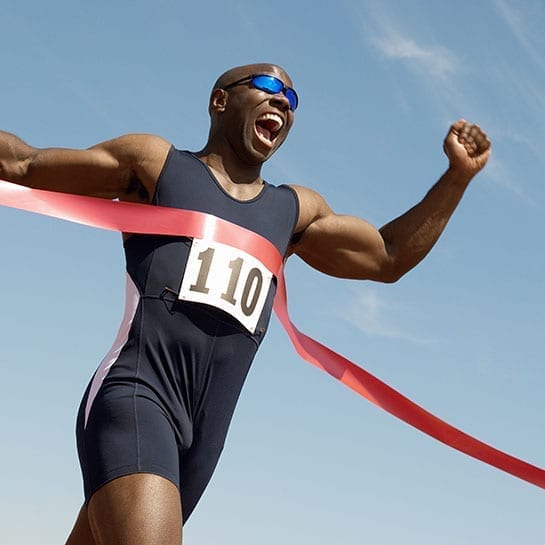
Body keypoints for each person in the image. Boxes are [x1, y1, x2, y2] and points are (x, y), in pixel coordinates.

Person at [0, 63, 490, 545]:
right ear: (221, 100)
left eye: (292, 99)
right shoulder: (156, 165)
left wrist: (457, 178)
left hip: (203, 439)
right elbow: (23, 164)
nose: (283, 102)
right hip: (137, 397)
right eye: (269, 86)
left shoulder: (293, 211)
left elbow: (388, 257)